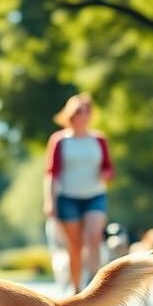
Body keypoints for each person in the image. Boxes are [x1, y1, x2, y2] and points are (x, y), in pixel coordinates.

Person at [43, 93, 113, 293]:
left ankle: (96, 285)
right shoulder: (59, 140)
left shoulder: (99, 139)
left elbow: (109, 167)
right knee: (75, 246)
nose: (84, 115)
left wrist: (106, 173)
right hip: (68, 198)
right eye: (79, 111)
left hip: (95, 195)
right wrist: (49, 201)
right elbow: (51, 173)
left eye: (87, 111)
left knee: (94, 236)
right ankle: (76, 287)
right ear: (71, 115)